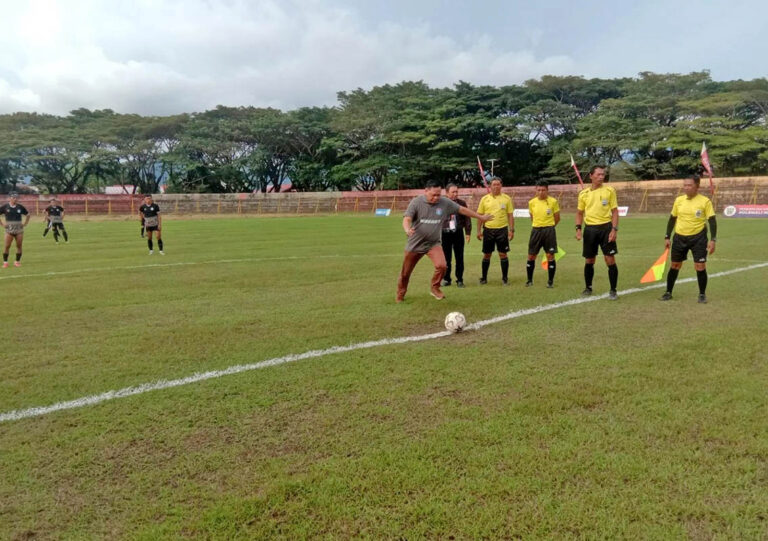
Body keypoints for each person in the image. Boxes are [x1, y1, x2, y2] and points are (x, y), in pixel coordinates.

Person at [397, 181, 492, 302]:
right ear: (426, 191)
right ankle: (400, 294)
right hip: (415, 244)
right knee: (405, 273)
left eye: (438, 194)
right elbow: (407, 219)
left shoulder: (444, 202)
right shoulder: (416, 202)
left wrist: (480, 217)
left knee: (442, 266)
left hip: (433, 244)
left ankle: (435, 288)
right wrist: (407, 229)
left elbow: (462, 210)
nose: (436, 197)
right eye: (433, 195)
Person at [660, 175, 717, 303]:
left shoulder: (705, 201)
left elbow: (712, 220)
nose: (686, 187)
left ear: (697, 186)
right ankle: (668, 292)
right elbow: (672, 218)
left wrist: (713, 239)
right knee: (675, 265)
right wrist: (667, 236)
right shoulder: (679, 200)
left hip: (698, 238)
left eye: (689, 185)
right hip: (679, 238)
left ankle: (702, 294)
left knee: (700, 266)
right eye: (685, 185)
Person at [575, 166, 619, 299]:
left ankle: (613, 290)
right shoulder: (583, 194)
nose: (601, 177)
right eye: (598, 174)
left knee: (609, 259)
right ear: (591, 176)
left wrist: (614, 229)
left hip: (606, 228)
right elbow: (579, 213)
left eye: (603, 174)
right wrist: (578, 229)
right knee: (589, 260)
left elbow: (615, 211)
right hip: (590, 230)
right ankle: (588, 287)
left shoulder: (609, 190)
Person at [476, 177, 515, 285]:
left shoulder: (507, 199)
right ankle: (484, 278)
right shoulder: (484, 199)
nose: (496, 186)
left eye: (498, 184)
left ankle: (505, 279)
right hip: (488, 230)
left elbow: (510, 215)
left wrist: (511, 230)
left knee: (503, 254)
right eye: (494, 184)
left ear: (501, 186)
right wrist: (478, 231)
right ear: (490, 186)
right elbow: (480, 216)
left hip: (502, 230)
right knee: (487, 254)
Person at [526, 180, 560, 288]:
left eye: (543, 190)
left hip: (549, 231)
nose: (541, 192)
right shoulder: (532, 202)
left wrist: (549, 227)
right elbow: (532, 217)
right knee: (531, 255)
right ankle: (529, 280)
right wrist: (538, 225)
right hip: (536, 230)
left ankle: (550, 281)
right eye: (539, 190)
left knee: (550, 255)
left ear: (547, 190)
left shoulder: (553, 201)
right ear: (536, 190)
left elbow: (557, 218)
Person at [440, 183, 472, 288]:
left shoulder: (461, 203)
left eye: (456, 191)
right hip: (445, 233)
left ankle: (460, 280)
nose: (455, 194)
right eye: (453, 192)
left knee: (459, 257)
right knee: (446, 258)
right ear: (446, 193)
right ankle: (446, 279)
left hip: (458, 233)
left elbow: (467, 217)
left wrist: (468, 232)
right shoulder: (441, 203)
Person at [0, 192, 30, 268]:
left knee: (19, 246)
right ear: (10, 198)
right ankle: (5, 262)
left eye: (16, 198)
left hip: (19, 230)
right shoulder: (5, 207)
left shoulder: (20, 207)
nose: (15, 199)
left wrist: (25, 223)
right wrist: (2, 224)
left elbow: (28, 215)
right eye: (13, 197)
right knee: (7, 246)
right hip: (9, 230)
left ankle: (17, 262)